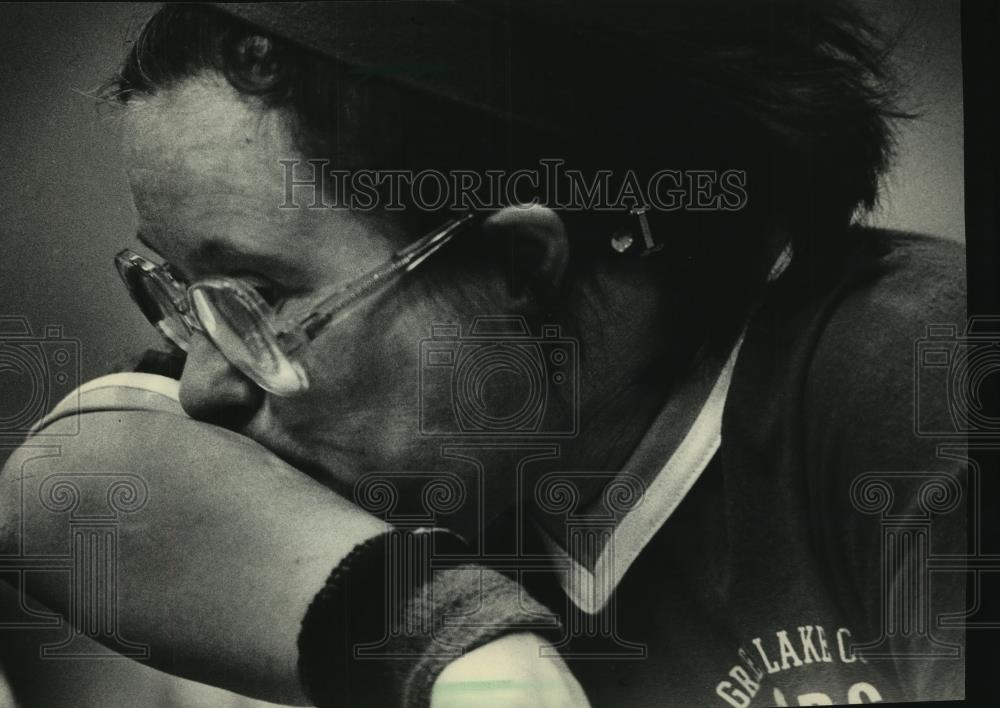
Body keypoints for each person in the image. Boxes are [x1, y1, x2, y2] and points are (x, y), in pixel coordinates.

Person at [0, 1, 967, 706]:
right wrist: (461, 648)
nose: (209, 386)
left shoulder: (929, 374)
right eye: (178, 297)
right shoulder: (383, 440)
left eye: (258, 300)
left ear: (516, 265)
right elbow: (64, 473)